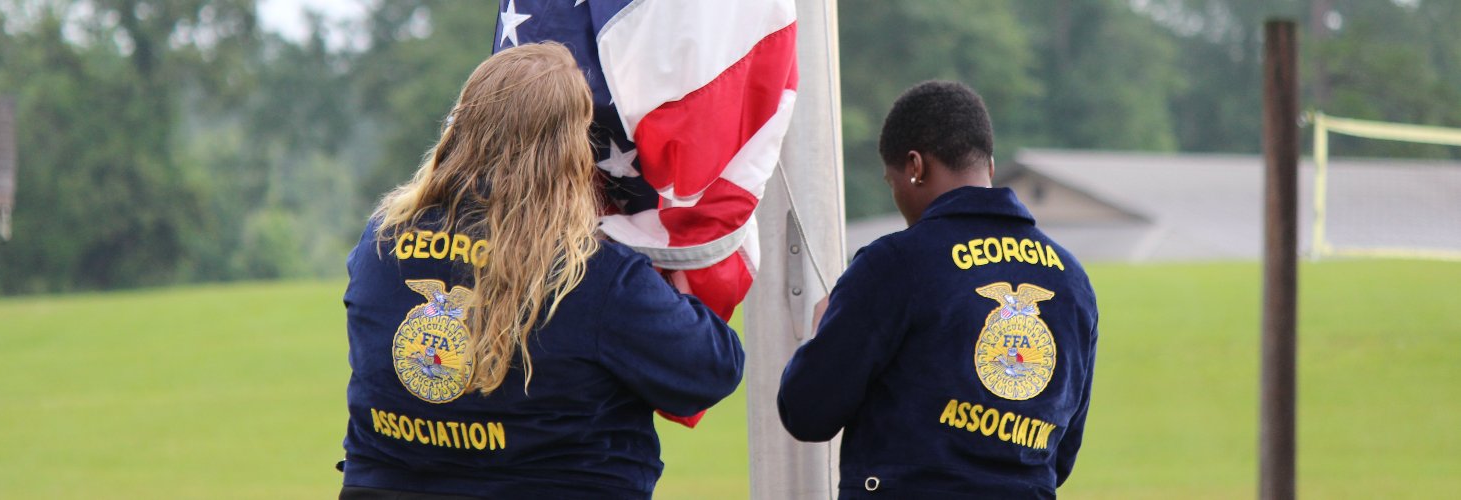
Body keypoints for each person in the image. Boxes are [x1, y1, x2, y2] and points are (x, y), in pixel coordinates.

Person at [339, 43, 744, 500]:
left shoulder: (380, 241)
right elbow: (711, 371)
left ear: (461, 125)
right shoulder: (594, 274)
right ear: (572, 151)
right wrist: (683, 296)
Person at [777, 81, 1099, 499]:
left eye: (892, 182)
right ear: (990, 165)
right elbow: (1062, 454)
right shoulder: (1071, 279)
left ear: (915, 166)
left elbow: (808, 411)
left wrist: (827, 332)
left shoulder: (894, 264)